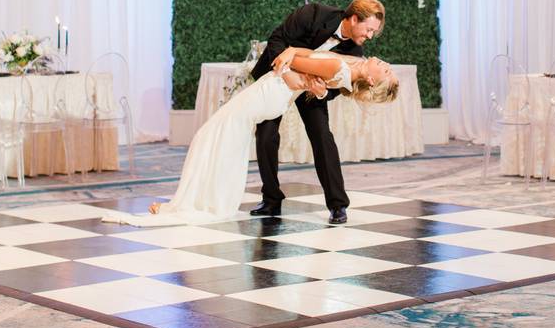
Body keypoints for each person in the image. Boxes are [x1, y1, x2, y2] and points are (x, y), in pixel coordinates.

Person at [102, 49, 398, 227]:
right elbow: (304, 68)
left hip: (272, 92)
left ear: (372, 80)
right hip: (274, 93)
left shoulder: (339, 69)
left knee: (211, 136)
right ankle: (194, 202)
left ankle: (189, 205)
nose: (383, 61)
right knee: (220, 141)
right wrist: (306, 78)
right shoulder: (348, 69)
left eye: (385, 70)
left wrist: (292, 66)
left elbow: (296, 62)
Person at [249, 0, 386, 224]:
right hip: (278, 75)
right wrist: (286, 74)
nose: (370, 36)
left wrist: (322, 92)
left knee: (322, 136)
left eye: (374, 32)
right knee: (266, 135)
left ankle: (338, 204)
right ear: (354, 19)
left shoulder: (355, 51)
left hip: (310, 89)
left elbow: (340, 86)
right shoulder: (313, 14)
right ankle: (271, 198)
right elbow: (277, 39)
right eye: (369, 29)